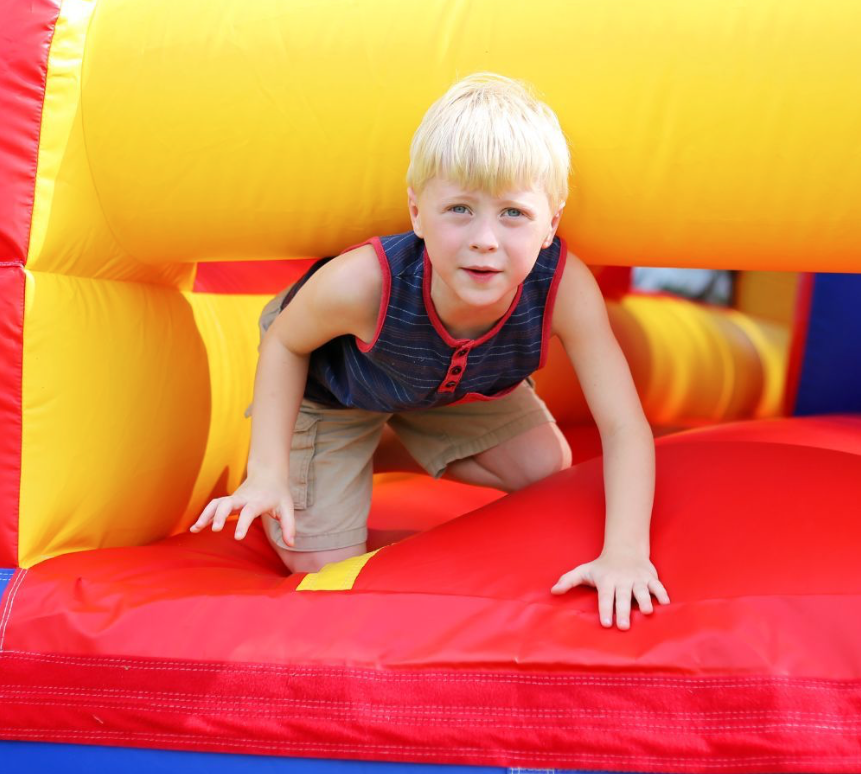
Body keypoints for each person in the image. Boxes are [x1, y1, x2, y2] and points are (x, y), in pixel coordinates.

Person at [191, 73, 670, 630]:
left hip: (450, 386)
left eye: (513, 213)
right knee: (322, 563)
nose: (485, 239)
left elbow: (623, 426)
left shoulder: (564, 288)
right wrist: (268, 472)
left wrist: (627, 553)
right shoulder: (364, 284)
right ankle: (350, 443)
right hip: (337, 392)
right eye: (460, 209)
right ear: (417, 212)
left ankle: (385, 443)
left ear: (550, 225)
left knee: (547, 467)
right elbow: (285, 342)